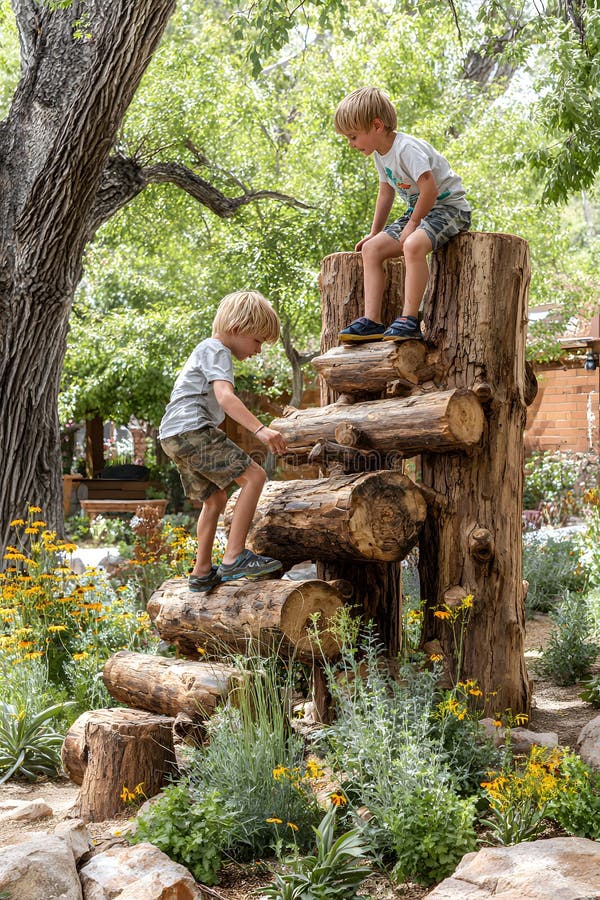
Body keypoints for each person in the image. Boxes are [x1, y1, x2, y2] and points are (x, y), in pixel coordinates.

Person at [159, 290, 287, 592]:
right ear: (237, 330)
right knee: (255, 476)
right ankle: (233, 557)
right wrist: (261, 430)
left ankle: (202, 571)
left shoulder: (205, 349)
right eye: (257, 341)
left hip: (172, 434)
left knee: (214, 498)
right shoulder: (217, 350)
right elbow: (226, 398)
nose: (258, 350)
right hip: (192, 429)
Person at [334, 86, 471, 342]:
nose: (351, 144)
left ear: (376, 126)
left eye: (353, 136)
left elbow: (429, 189)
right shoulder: (380, 155)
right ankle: (372, 320)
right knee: (371, 249)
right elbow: (386, 193)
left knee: (413, 244)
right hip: (419, 210)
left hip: (448, 207)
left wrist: (414, 224)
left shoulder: (406, 148)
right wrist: (375, 233)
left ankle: (409, 319)